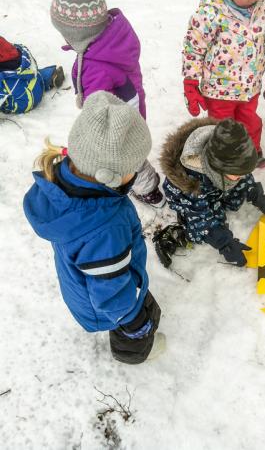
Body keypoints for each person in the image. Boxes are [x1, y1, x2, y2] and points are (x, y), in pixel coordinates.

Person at [23, 91, 165, 364]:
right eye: (132, 169)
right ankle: (134, 352)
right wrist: (134, 321)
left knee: (135, 302)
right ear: (108, 176)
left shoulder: (68, 182)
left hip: (86, 285)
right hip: (104, 305)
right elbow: (111, 297)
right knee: (133, 326)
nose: (136, 173)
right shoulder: (105, 229)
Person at [50, 0, 164, 206]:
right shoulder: (112, 40)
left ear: (78, 33)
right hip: (130, 110)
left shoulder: (95, 68)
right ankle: (147, 180)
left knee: (129, 161)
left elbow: (99, 114)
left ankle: (148, 189)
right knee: (135, 154)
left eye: (66, 33)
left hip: (116, 127)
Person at [182, 0, 265, 168]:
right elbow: (194, 48)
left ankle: (250, 152)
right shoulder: (210, 13)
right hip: (218, 89)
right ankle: (224, 158)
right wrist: (190, 82)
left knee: (250, 122)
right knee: (222, 126)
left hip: (249, 88)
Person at [157, 118, 265, 267]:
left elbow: (243, 176)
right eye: (238, 173)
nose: (242, 176)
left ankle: (223, 196)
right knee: (207, 228)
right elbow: (200, 217)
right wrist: (224, 243)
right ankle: (180, 232)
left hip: (216, 184)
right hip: (190, 197)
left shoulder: (229, 158)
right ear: (218, 169)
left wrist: (257, 196)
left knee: (235, 198)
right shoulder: (191, 180)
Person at [0, 35, 64, 114]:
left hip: (19, 103)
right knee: (26, 74)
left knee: (7, 82)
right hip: (35, 84)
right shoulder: (19, 51)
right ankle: (50, 76)